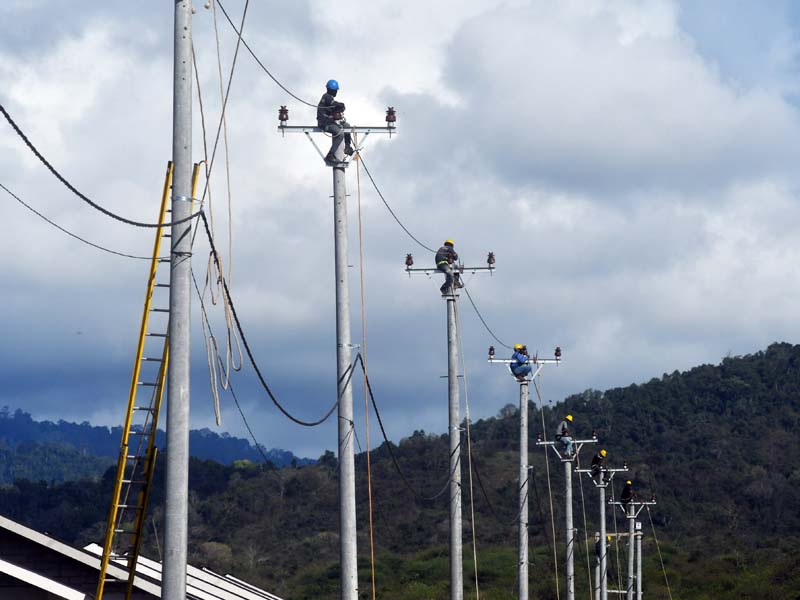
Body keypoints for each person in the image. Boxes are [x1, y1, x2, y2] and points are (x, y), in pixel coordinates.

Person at [317, 79, 354, 162]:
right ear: (332, 90)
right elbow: (334, 104)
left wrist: (341, 107)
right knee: (339, 134)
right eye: (335, 91)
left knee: (347, 126)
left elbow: (335, 106)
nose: (336, 92)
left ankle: (347, 147)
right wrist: (341, 105)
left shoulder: (330, 98)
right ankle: (330, 154)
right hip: (324, 123)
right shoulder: (326, 97)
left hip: (331, 122)